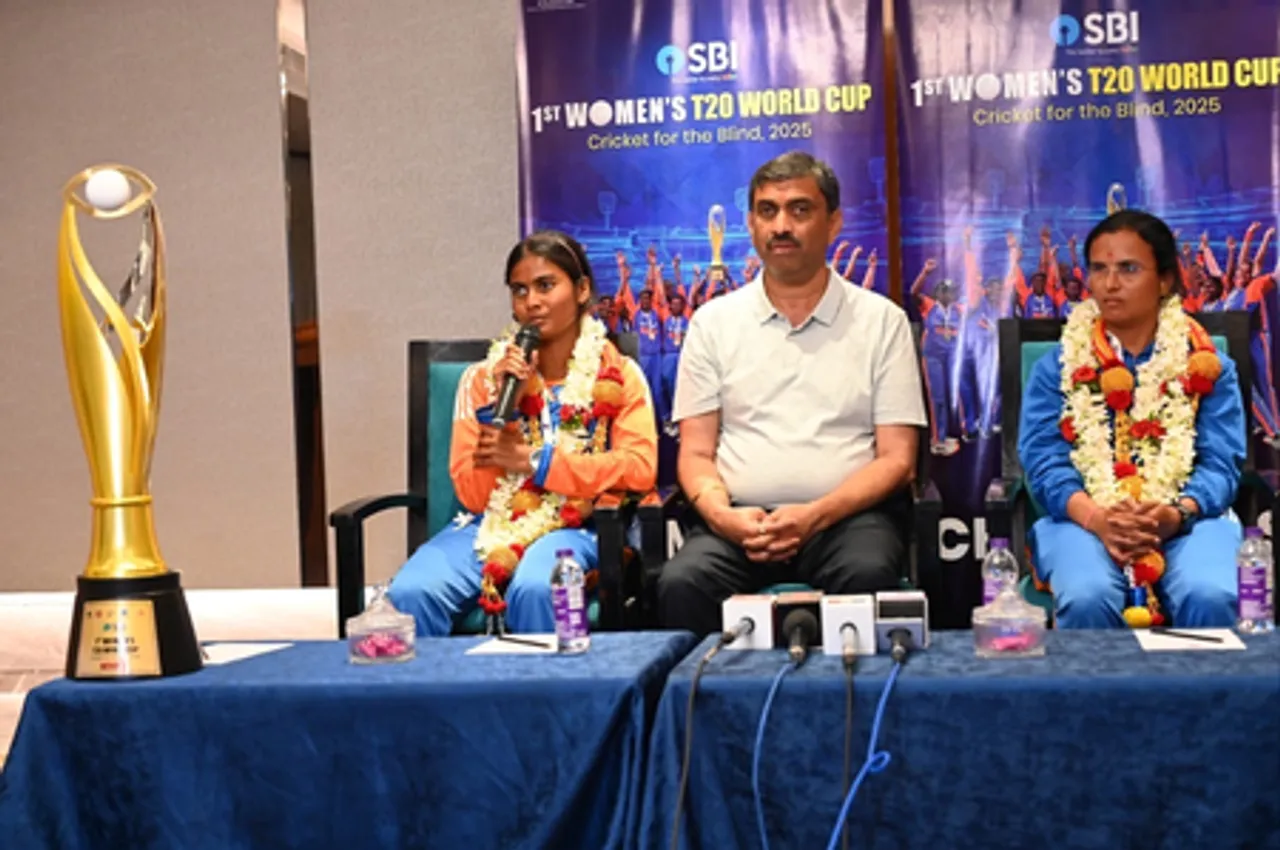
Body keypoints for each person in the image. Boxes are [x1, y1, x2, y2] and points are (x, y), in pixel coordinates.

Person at [657, 151, 926, 637]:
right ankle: (708, 715)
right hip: (740, 523)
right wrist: (721, 514)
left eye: (800, 210)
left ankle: (850, 715)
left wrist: (815, 515)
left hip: (846, 519)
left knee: (867, 576)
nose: (781, 226)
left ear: (834, 222)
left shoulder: (880, 321)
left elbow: (898, 459)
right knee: (683, 582)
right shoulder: (713, 324)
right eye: (767, 211)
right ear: (752, 224)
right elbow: (695, 452)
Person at [387, 231, 658, 635]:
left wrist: (538, 463)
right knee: (411, 593)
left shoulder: (618, 375)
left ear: (582, 290)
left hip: (578, 524)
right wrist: (504, 410)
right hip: (492, 523)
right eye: (520, 290)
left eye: (546, 285)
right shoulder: (483, 381)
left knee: (538, 586)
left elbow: (638, 469)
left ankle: (547, 699)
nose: (531, 302)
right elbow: (475, 495)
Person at [1019, 210, 1246, 629]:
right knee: (1088, 596)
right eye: (1099, 269)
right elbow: (1044, 461)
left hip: (1189, 518)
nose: (1110, 283)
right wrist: (1097, 518)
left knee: (1208, 594)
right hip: (1082, 519)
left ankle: (1204, 697)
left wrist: (1175, 514)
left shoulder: (1209, 366)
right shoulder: (1058, 368)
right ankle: (1094, 698)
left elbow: (1221, 463)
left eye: (1128, 269)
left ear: (1164, 280)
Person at [910, 259, 963, 456]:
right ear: (938, 293)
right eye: (946, 291)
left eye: (952, 291)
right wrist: (925, 272)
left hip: (950, 356)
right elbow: (914, 292)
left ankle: (945, 433)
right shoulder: (929, 305)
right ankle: (937, 440)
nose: (949, 294)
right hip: (933, 356)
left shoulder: (958, 309)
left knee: (950, 396)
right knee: (937, 397)